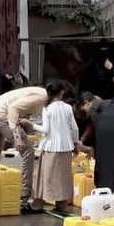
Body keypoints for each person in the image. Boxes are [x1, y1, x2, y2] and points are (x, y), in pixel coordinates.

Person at [28, 81, 90, 215]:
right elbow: (74, 128)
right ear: (61, 92)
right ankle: (61, 205)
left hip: (50, 147)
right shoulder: (68, 108)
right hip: (65, 147)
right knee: (63, 178)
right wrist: (74, 144)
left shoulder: (47, 108)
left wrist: (31, 125)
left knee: (44, 176)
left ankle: (38, 203)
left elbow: (45, 129)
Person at [0, 86, 47, 212]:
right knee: (27, 150)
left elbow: (21, 111)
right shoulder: (42, 97)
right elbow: (13, 108)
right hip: (1, 115)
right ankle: (23, 199)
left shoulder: (40, 92)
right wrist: (17, 137)